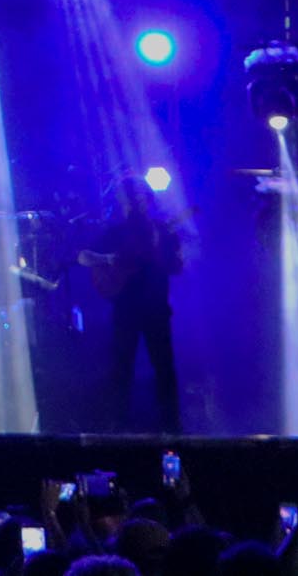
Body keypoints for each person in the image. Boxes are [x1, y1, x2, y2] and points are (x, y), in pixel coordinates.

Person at [79, 174, 182, 432]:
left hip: (156, 307)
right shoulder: (114, 231)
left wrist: (168, 256)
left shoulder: (162, 229)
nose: (137, 202)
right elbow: (84, 257)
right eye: (132, 197)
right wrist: (110, 259)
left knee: (163, 367)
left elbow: (175, 265)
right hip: (126, 307)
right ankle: (118, 425)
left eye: (141, 197)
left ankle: (170, 427)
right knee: (122, 367)